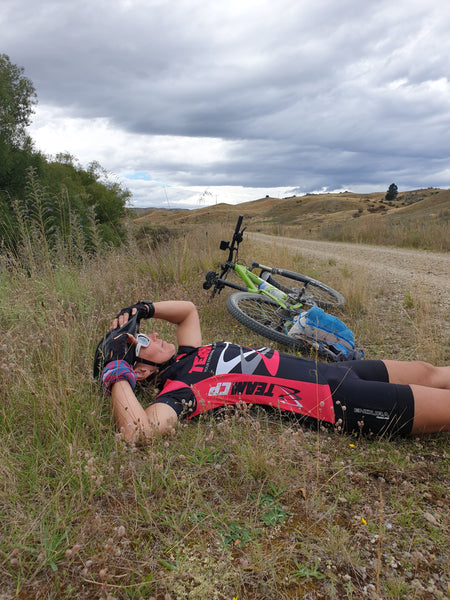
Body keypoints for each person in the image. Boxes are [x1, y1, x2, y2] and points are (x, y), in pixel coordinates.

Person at [97, 300, 450, 444]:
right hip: (338, 400)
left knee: (429, 371)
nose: (155, 334)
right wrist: (117, 371)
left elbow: (187, 311)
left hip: (335, 370)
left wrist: (141, 308)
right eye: (143, 339)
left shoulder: (190, 354)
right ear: (141, 371)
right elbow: (138, 432)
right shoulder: (180, 389)